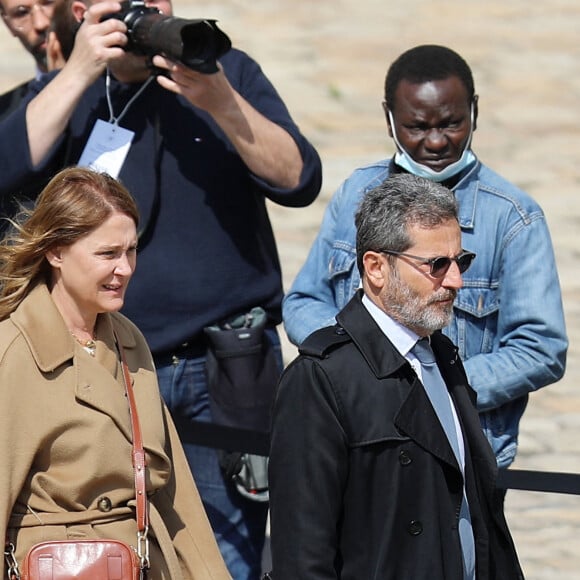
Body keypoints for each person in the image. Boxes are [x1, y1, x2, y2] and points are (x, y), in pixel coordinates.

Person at [0, 1, 323, 577]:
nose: (145, 12)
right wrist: (78, 71)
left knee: (225, 558)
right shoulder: (65, 90)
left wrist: (220, 100)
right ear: (82, 9)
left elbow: (298, 179)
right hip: (100, 366)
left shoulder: (226, 73)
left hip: (222, 365)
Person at [282, 44, 567, 469]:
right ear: (389, 119)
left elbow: (540, 348)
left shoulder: (512, 218)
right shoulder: (355, 193)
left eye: (452, 124)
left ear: (474, 110)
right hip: (355, 438)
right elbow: (304, 303)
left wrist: (432, 381)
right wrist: (357, 368)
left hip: (458, 451)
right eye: (417, 127)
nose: (436, 141)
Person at [268, 174, 524, 580]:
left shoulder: (443, 357)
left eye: (462, 261)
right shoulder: (321, 378)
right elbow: (302, 555)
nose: (456, 280)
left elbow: (476, 514)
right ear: (376, 268)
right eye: (437, 265)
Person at [0, 166, 231, 579]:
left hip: (137, 562)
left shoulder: (127, 337)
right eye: (107, 254)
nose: (124, 268)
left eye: (131, 251)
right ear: (55, 252)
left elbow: (174, 492)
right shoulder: (14, 351)